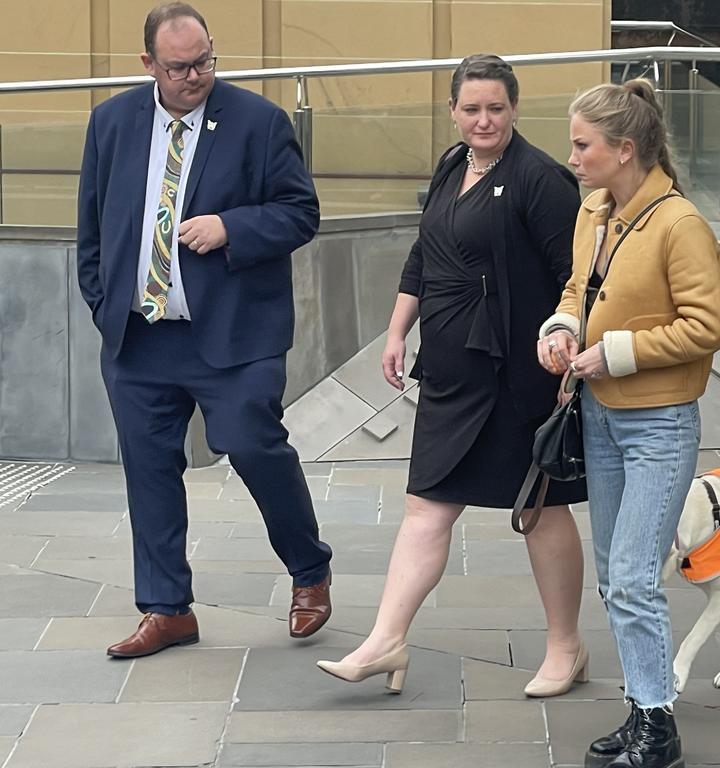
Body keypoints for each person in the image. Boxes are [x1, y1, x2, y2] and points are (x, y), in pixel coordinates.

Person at [317, 54, 588, 697]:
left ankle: (566, 648)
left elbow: (574, 281)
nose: (484, 119)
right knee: (426, 505)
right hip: (450, 373)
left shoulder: (541, 179)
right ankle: (386, 642)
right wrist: (395, 330)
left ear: (515, 109)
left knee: (538, 510)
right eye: (472, 109)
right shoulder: (451, 165)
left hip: (519, 376)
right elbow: (425, 253)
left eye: (496, 107)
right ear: (452, 111)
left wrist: (566, 358)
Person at [76, 1, 333, 658]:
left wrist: (233, 228)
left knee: (251, 443)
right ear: (149, 65)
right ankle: (167, 609)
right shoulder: (110, 123)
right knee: (149, 469)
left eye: (205, 62)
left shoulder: (259, 122)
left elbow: (301, 213)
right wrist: (106, 302)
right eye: (180, 67)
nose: (195, 77)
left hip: (233, 335)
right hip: (140, 338)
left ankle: (309, 569)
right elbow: (93, 229)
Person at [538, 79, 720, 768]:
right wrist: (559, 331)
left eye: (583, 144)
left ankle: (657, 724)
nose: (574, 154)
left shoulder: (680, 225)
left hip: (658, 424)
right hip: (601, 416)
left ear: (624, 149)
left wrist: (613, 352)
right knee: (619, 575)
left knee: (633, 576)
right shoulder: (594, 210)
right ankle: (644, 706)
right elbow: (577, 291)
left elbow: (707, 326)